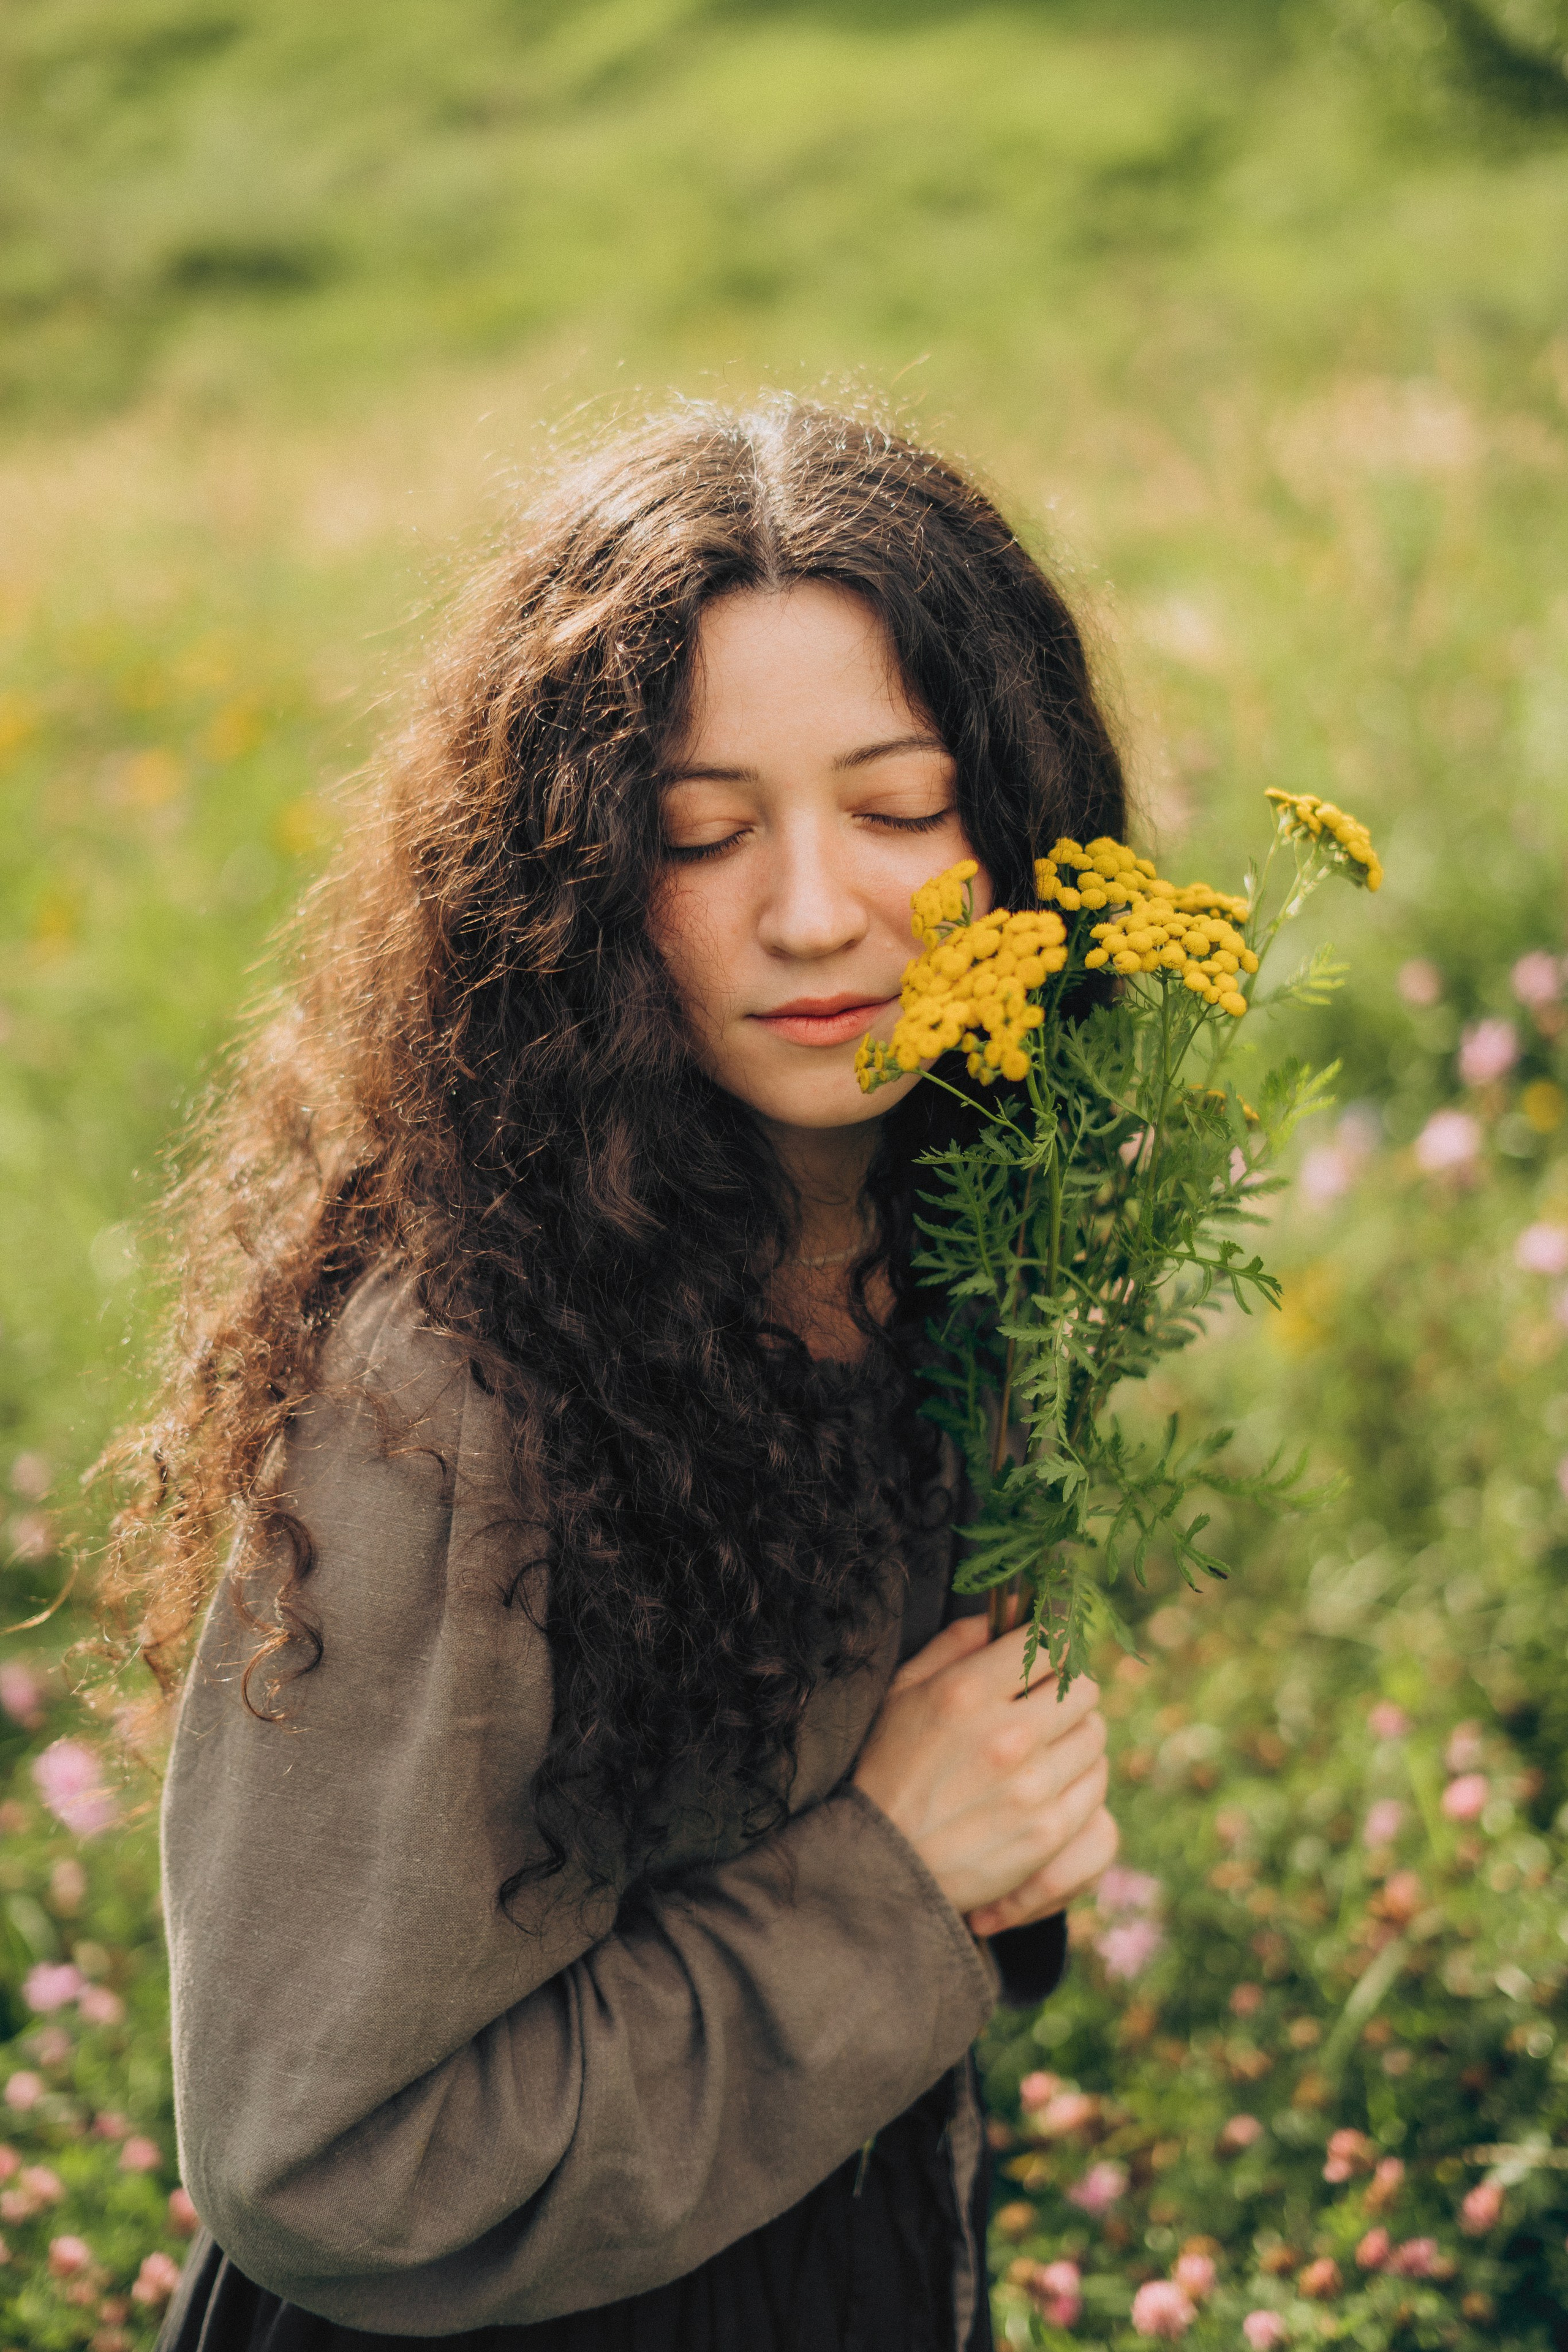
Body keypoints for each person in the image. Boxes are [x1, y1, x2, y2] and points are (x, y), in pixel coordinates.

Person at [111, 399, 1122, 2352]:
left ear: (1022, 822)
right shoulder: (451, 1391)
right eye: (697, 832)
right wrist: (895, 1883)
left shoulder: (959, 1228)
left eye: (903, 806)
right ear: (566, 882)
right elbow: (318, 2161)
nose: (817, 910)